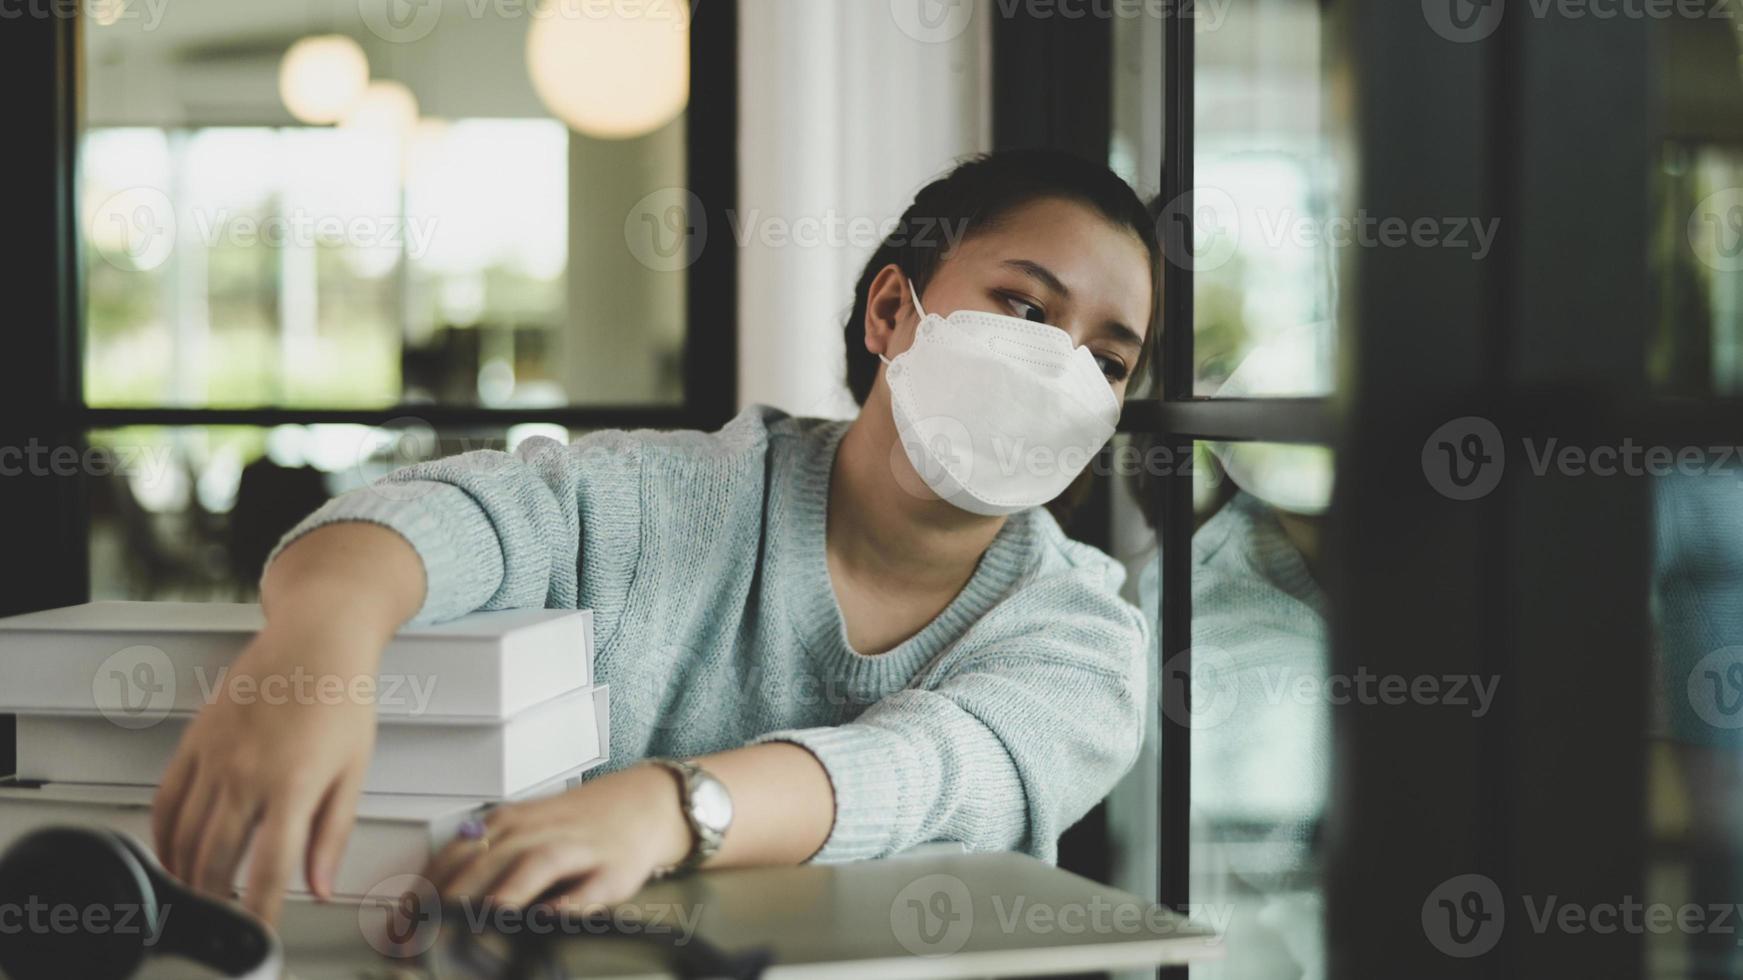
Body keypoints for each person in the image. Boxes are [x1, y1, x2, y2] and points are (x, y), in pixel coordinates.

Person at [148, 149, 1163, 923]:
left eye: (1109, 362)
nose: (1060, 370)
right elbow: (450, 511)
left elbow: (930, 768)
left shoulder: (1084, 640)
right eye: (1026, 307)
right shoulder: (671, 496)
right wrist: (319, 654)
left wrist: (669, 806)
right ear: (892, 310)